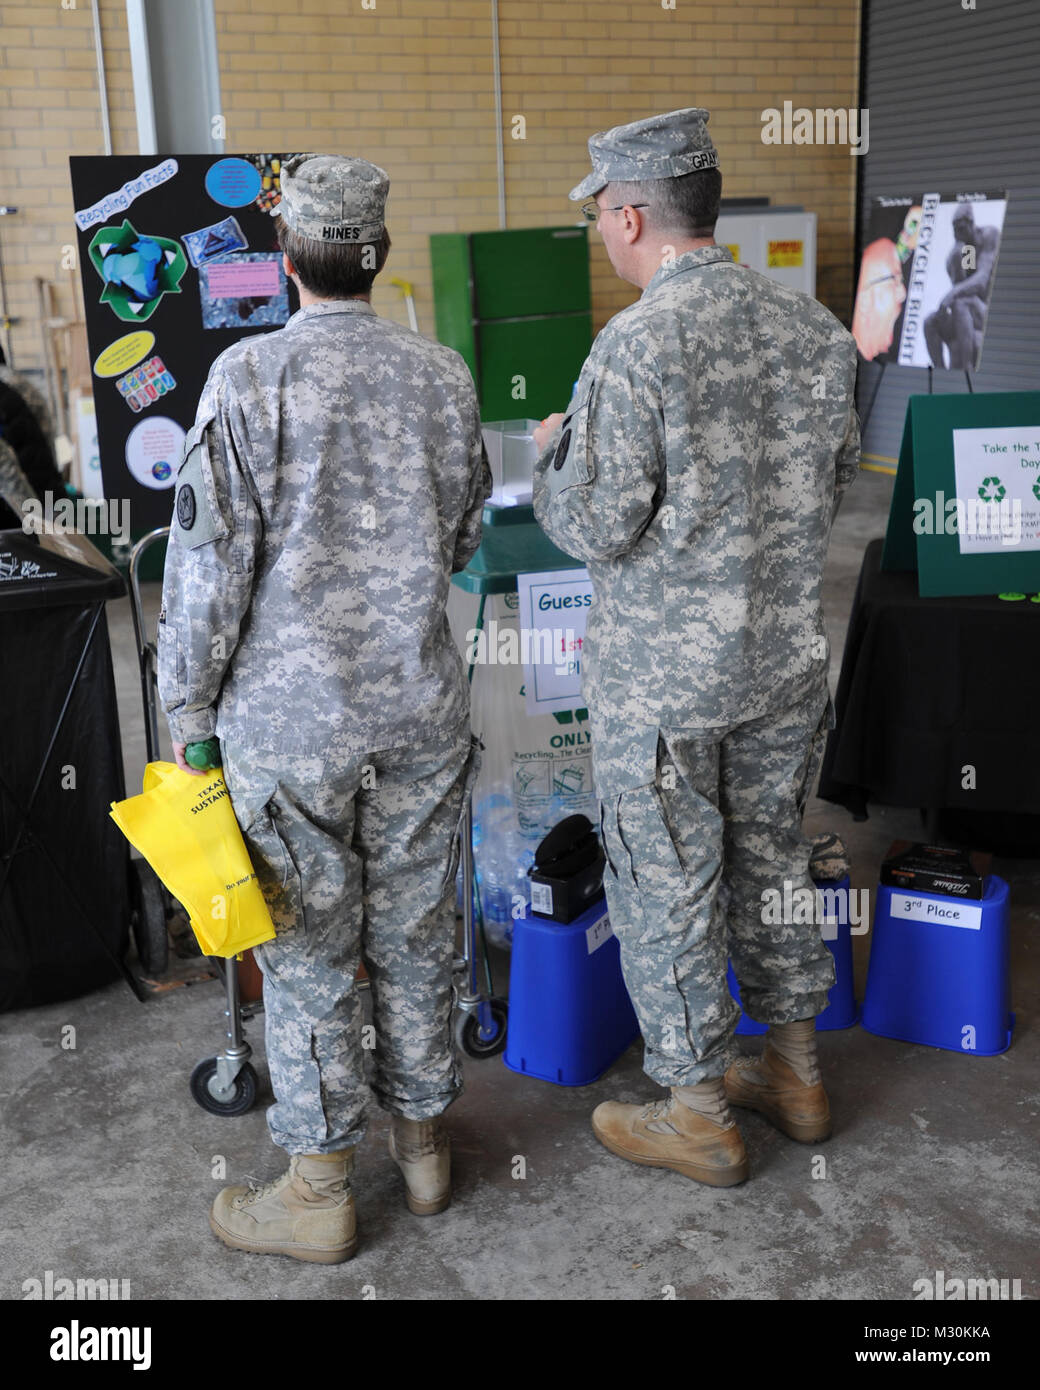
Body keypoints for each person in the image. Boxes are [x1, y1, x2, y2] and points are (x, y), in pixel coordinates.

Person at [158, 154, 490, 1262]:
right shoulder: (442, 374)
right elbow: (461, 539)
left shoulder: (247, 381)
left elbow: (206, 576)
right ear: (378, 254)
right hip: (418, 715)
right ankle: (426, 1150)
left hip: (289, 733)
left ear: (284, 258)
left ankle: (317, 1191)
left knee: (303, 955)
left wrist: (186, 708)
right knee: (413, 934)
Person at [532, 108, 860, 1188]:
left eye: (601, 219)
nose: (602, 236)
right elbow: (828, 493)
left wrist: (549, 457)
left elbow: (596, 524)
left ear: (628, 216)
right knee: (770, 857)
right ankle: (798, 1073)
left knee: (666, 877)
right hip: (781, 664)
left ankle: (697, 1110)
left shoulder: (634, 344)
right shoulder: (812, 330)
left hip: (666, 684)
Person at [924, 204, 1000, 370]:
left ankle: (967, 368)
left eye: (961, 228)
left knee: (960, 304)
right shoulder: (967, 251)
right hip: (968, 310)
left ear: (971, 223)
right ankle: (940, 371)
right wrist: (957, 258)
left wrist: (951, 295)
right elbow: (963, 285)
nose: (957, 233)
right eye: (955, 229)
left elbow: (981, 282)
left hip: (984, 309)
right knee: (930, 322)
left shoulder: (988, 236)